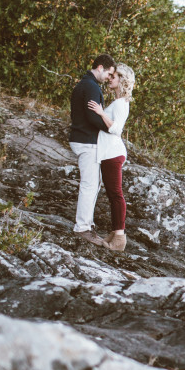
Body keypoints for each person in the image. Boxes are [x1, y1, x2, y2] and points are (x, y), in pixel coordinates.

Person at [87, 64, 135, 251]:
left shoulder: (122, 103)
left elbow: (116, 129)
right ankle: (115, 233)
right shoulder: (118, 102)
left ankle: (120, 238)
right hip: (109, 153)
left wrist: (100, 113)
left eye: (113, 76)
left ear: (122, 80)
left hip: (113, 154)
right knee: (112, 195)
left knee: (116, 195)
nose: (109, 78)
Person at [69, 54, 116, 245]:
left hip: (83, 139)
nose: (109, 78)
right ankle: (82, 228)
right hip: (86, 140)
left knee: (93, 183)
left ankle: (87, 224)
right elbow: (92, 117)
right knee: (89, 185)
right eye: (109, 73)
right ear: (100, 67)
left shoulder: (85, 84)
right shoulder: (90, 87)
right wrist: (111, 128)